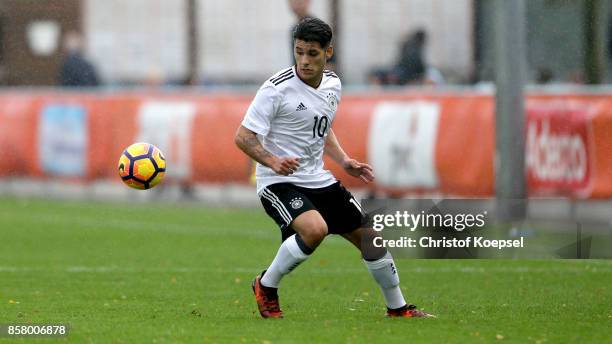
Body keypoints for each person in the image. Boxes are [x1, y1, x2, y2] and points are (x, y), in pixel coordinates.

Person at [234, 18, 434, 319]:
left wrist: (344, 161)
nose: (303, 61)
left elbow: (322, 128)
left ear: (328, 53)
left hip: (319, 179)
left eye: (312, 53)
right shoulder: (275, 89)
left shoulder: (332, 85)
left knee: (372, 239)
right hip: (278, 181)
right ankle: (265, 285)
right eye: (298, 52)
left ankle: (398, 308)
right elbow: (243, 137)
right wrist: (274, 161)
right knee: (315, 230)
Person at [288, 0, 336, 71]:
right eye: (293, 1)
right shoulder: (294, 29)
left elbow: (330, 63)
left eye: (299, 1)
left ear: (307, 2)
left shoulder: (316, 27)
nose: (296, 4)